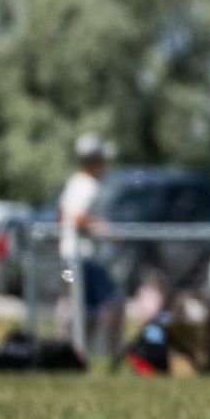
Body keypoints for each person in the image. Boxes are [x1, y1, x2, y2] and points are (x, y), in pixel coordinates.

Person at [56, 132, 123, 361]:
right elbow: (77, 217)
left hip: (68, 258)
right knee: (105, 303)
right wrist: (106, 230)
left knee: (73, 305)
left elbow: (62, 214)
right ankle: (79, 353)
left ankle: (73, 352)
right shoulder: (87, 186)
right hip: (83, 260)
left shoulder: (74, 182)